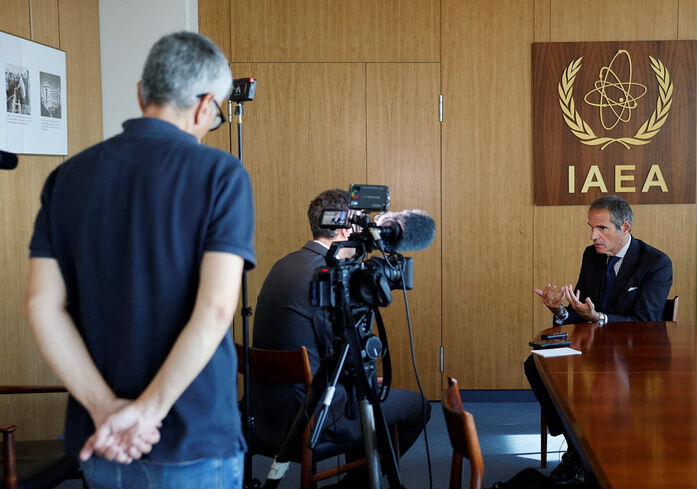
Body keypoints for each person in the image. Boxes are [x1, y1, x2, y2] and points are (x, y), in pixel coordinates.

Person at [25, 32, 254, 488]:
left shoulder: (66, 178)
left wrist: (106, 410)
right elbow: (214, 309)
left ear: (140, 93)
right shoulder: (221, 175)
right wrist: (145, 413)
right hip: (194, 436)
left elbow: (42, 306)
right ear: (205, 103)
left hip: (102, 438)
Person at [251, 188, 430, 488]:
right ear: (346, 227)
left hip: (262, 413)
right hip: (308, 416)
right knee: (417, 406)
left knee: (368, 396)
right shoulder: (325, 274)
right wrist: (365, 379)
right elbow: (340, 352)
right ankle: (356, 485)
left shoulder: (284, 264)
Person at [525, 195, 672, 487]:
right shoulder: (591, 255)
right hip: (590, 347)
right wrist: (561, 310)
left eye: (602, 228)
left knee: (592, 380)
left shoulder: (655, 262)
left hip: (633, 354)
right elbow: (581, 311)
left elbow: (646, 323)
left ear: (625, 227)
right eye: (591, 227)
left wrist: (599, 318)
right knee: (535, 363)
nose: (594, 235)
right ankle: (575, 446)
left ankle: (584, 454)